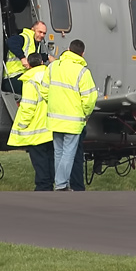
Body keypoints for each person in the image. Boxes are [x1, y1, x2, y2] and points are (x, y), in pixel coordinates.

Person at [41, 39, 98, 191]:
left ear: (67, 49)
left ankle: (62, 183)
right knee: (68, 153)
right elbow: (90, 98)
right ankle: (61, 184)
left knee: (58, 152)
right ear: (82, 53)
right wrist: (85, 114)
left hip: (54, 117)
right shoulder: (82, 72)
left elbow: (44, 90)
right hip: (73, 120)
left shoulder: (53, 67)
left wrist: (54, 104)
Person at [7, 53, 54, 190]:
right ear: (41, 62)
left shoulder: (30, 81)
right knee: (51, 159)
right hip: (52, 128)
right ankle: (52, 184)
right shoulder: (52, 76)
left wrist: (22, 125)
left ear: (28, 64)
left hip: (36, 131)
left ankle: (43, 187)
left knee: (40, 162)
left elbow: (28, 107)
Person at [3, 21, 53, 94]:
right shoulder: (25, 38)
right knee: (36, 87)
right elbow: (11, 42)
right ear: (33, 30)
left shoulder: (35, 43)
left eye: (44, 33)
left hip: (23, 76)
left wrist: (48, 57)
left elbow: (33, 56)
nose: (42, 35)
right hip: (12, 78)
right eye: (40, 32)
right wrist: (22, 58)